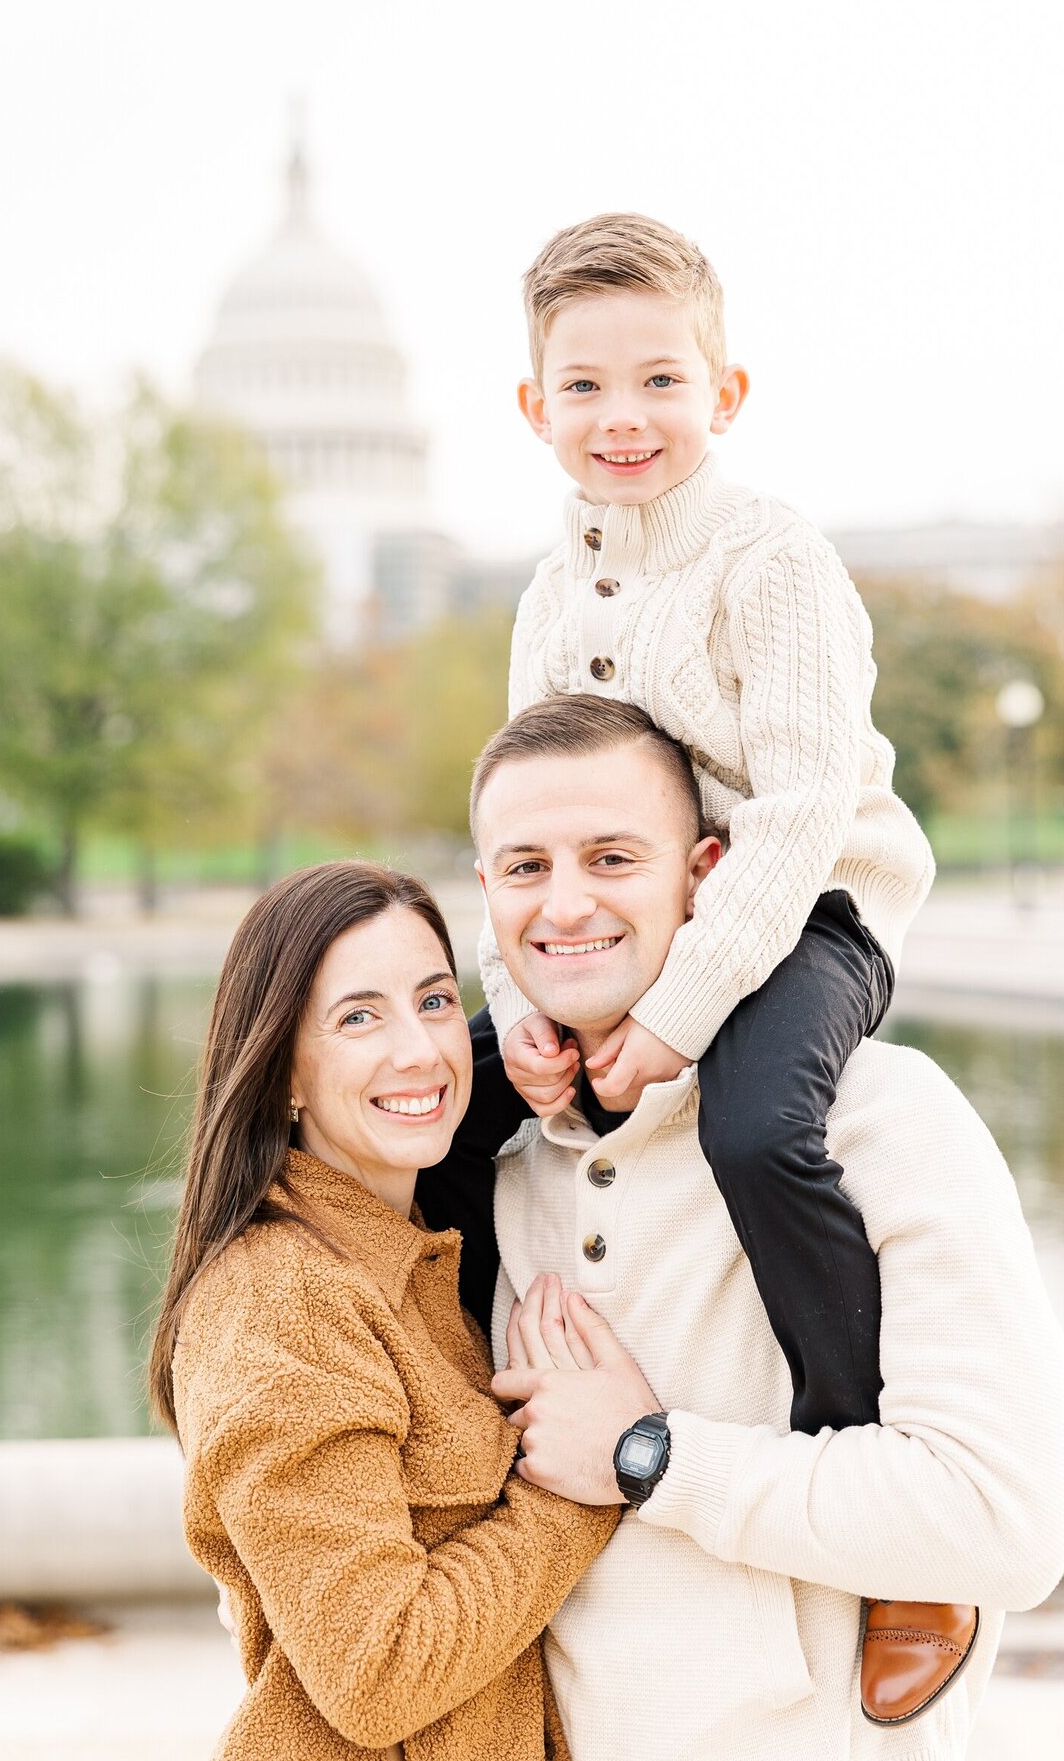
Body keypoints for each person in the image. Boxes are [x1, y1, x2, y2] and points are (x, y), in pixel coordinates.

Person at [467, 208, 966, 1720]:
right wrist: (520, 1009)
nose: (624, 420)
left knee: (760, 1124)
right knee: (454, 1115)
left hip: (813, 906)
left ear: (724, 394)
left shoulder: (773, 560)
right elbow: (519, 807)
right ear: (533, 407)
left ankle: (887, 1520)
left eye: (661, 383)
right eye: (586, 388)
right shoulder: (549, 599)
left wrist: (680, 1016)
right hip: (637, 916)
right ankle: (465, 1456)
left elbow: (809, 803)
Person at [426, 696, 1064, 1759]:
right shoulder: (487, 1173)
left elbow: (1004, 1526)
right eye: (526, 866)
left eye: (614, 857)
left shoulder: (881, 1119)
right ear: (486, 892)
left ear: (707, 873)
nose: (566, 901)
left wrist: (649, 1456)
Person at [147, 860, 620, 1761]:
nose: (420, 1050)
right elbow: (377, 1670)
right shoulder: (281, 1301)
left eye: (436, 1001)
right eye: (359, 1016)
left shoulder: (410, 1253)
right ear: (281, 1068)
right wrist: (580, 1487)